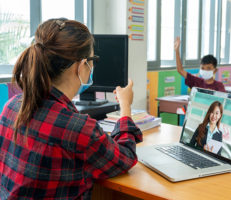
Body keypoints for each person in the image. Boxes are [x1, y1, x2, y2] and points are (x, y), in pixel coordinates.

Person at [0, 18, 142, 199]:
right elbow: (125, 158)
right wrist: (125, 107)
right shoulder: (78, 128)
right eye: (93, 60)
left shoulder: (11, 107)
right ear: (82, 65)